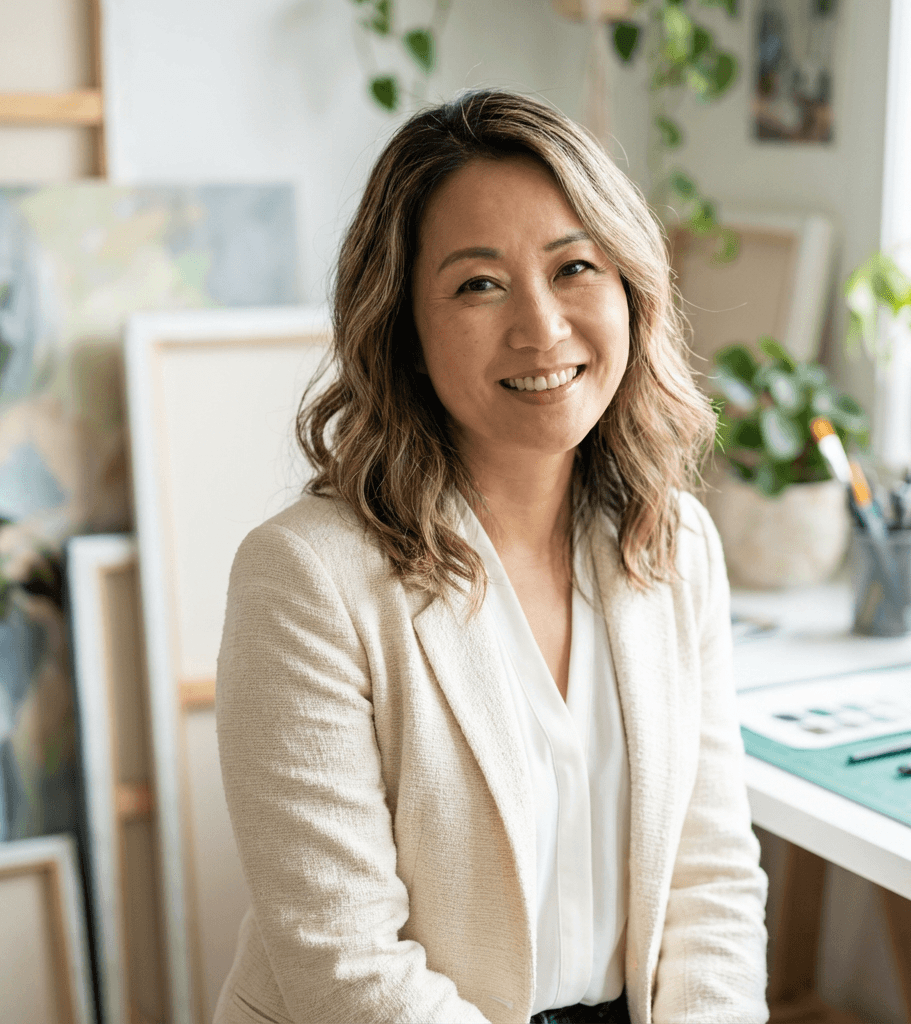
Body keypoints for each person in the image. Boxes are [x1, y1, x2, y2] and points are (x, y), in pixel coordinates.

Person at [215, 90, 768, 1024]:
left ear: (631, 288)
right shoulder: (305, 579)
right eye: (479, 283)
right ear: (407, 334)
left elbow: (708, 878)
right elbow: (347, 965)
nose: (542, 329)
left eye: (575, 267)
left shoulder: (677, 544)